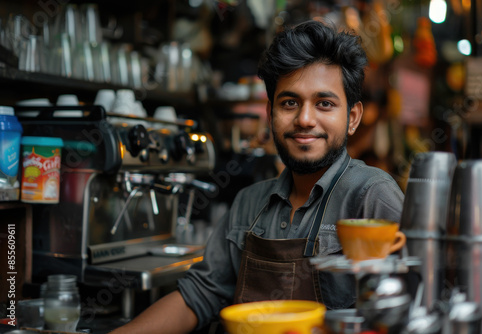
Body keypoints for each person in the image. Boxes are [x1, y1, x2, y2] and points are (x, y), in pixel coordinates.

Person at [110, 19, 403, 334]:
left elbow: (405, 310)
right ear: (271, 113)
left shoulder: (371, 196)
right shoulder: (249, 203)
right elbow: (201, 295)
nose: (305, 119)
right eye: (290, 103)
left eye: (324, 104)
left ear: (352, 118)